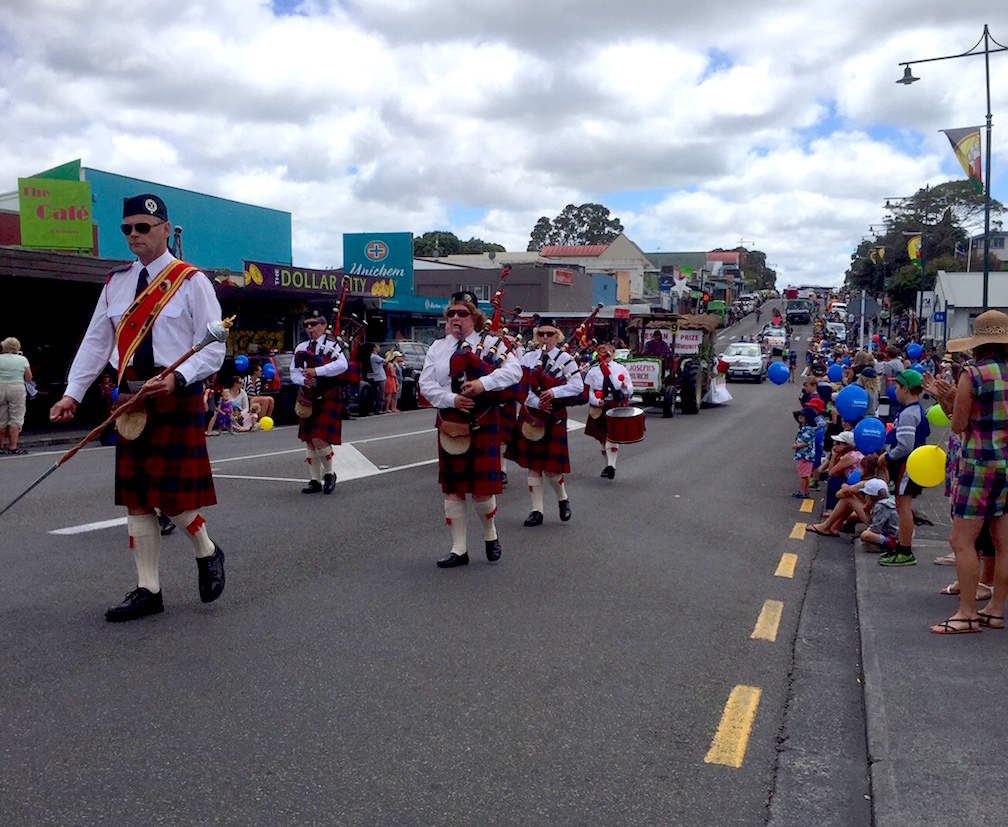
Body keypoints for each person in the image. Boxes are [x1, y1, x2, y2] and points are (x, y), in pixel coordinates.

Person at [49, 193, 226, 622]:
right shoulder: (116, 283)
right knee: (137, 500)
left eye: (142, 228)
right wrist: (73, 392)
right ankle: (149, 590)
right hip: (130, 398)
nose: (133, 235)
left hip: (173, 394)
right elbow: (96, 342)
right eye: (127, 228)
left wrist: (177, 377)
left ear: (165, 229)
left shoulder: (189, 281)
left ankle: (207, 550)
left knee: (170, 496)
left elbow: (214, 345)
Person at [418, 291, 522, 568]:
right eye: (451, 313)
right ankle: (459, 549)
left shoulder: (492, 343)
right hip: (451, 422)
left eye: (461, 313)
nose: (455, 318)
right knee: (453, 489)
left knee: (481, 492)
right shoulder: (438, 348)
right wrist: (452, 399)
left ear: (474, 317)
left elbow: (515, 372)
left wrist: (482, 384)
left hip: (483, 421)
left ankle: (490, 533)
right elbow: (426, 385)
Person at [928, 310, 1008, 634]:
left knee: (962, 540)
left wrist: (949, 402)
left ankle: (967, 614)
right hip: (1007, 462)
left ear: (978, 344)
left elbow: (959, 425)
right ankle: (996, 610)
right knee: (1003, 542)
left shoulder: (973, 374)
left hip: (979, 464)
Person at [506, 318, 585, 527]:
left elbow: (577, 386)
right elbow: (521, 387)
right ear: (537, 336)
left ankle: (562, 498)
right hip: (531, 414)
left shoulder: (566, 359)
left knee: (551, 469)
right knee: (533, 466)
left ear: (557, 336)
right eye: (542, 334)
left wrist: (553, 392)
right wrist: (536, 402)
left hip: (554, 416)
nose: (545, 338)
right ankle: (536, 511)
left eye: (550, 334)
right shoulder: (528, 359)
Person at [291, 310, 348, 494]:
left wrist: (318, 371)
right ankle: (314, 480)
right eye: (306, 325)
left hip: (328, 396)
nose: (309, 328)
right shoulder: (301, 348)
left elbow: (342, 365)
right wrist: (303, 380)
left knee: (318, 438)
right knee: (309, 440)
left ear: (323, 326)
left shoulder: (333, 346)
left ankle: (329, 474)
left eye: (313, 324)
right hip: (308, 397)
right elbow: (294, 372)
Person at [878, 369, 929, 568]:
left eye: (897, 386)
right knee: (901, 506)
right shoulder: (914, 410)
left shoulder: (909, 413)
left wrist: (888, 457)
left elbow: (906, 445)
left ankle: (905, 549)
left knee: (903, 506)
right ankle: (902, 546)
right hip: (909, 464)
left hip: (905, 465)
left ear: (906, 389)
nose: (894, 390)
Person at [583, 342, 634, 479]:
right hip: (600, 407)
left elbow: (630, 390)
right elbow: (589, 391)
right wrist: (595, 401)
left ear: (613, 353)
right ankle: (608, 465)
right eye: (602, 350)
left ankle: (611, 466)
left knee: (612, 435)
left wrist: (624, 387)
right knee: (602, 439)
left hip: (615, 405)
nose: (605, 352)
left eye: (608, 350)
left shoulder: (621, 369)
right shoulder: (593, 371)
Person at [0, 336, 32, 454]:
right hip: (17, 388)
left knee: (1, 418)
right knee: (16, 418)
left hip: (0, 387)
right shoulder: (22, 359)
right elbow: (29, 378)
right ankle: (13, 447)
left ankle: (0, 446)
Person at [793, 406, 816, 499]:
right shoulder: (805, 428)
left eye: (802, 416)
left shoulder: (807, 429)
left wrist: (796, 446)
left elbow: (806, 442)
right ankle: (805, 491)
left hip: (805, 455)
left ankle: (802, 491)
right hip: (806, 455)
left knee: (803, 475)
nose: (800, 418)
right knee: (806, 474)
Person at [369, 343, 386, 413]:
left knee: (382, 393)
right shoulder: (373, 357)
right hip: (379, 377)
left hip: (381, 376)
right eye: (377, 347)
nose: (379, 348)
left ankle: (380, 408)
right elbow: (385, 361)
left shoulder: (377, 356)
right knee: (380, 394)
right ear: (374, 348)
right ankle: (378, 409)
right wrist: (391, 354)